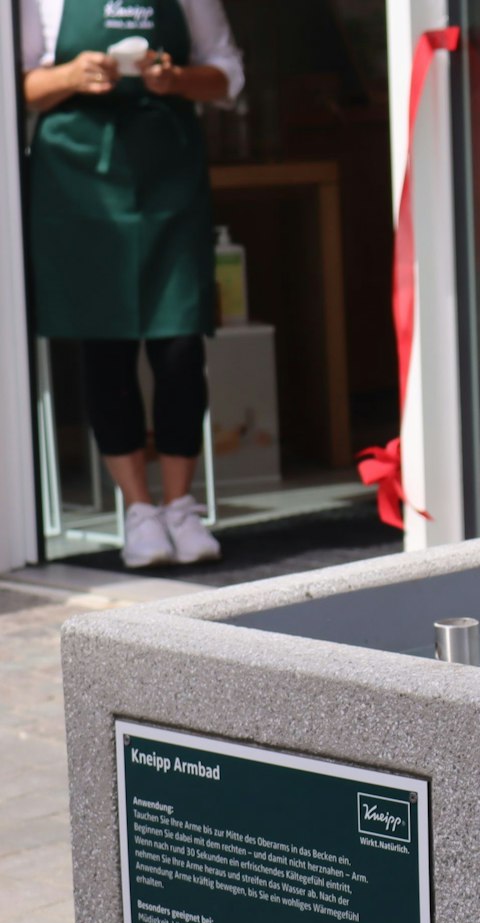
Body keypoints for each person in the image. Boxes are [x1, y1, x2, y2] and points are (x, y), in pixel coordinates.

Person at [22, 0, 244, 567]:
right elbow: (19, 87)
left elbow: (226, 75)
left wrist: (174, 79)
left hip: (168, 175)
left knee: (180, 342)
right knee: (107, 343)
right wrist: (72, 75)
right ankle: (139, 511)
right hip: (79, 183)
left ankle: (181, 505)